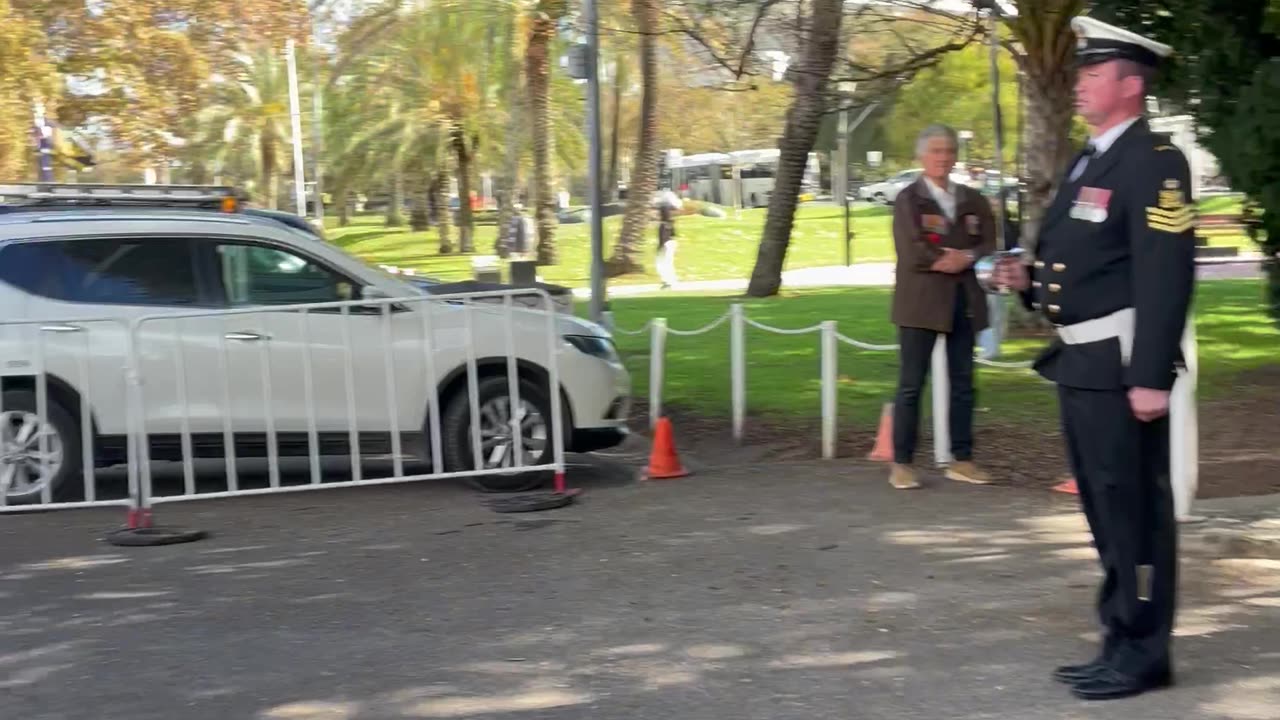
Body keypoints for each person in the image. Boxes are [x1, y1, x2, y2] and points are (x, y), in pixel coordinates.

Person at [992, 15, 1196, 701]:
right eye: (1080, 72)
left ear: (1131, 84)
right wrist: (1028, 282)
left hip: (1121, 367)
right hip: (1080, 363)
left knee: (1135, 510)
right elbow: (1080, 263)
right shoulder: (1090, 159)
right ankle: (1120, 636)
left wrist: (1150, 377)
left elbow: (1166, 275)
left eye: (1093, 72)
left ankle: (1144, 652)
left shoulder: (1155, 163)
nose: (1078, 83)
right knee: (1107, 512)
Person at [888, 124, 997, 490]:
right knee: (911, 385)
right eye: (936, 151)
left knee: (963, 383)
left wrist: (966, 256)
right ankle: (902, 462)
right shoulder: (909, 199)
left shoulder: (972, 198)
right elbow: (912, 248)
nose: (944, 157)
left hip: (963, 302)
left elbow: (989, 241)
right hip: (920, 304)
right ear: (921, 156)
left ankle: (962, 460)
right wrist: (943, 259)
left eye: (949, 150)